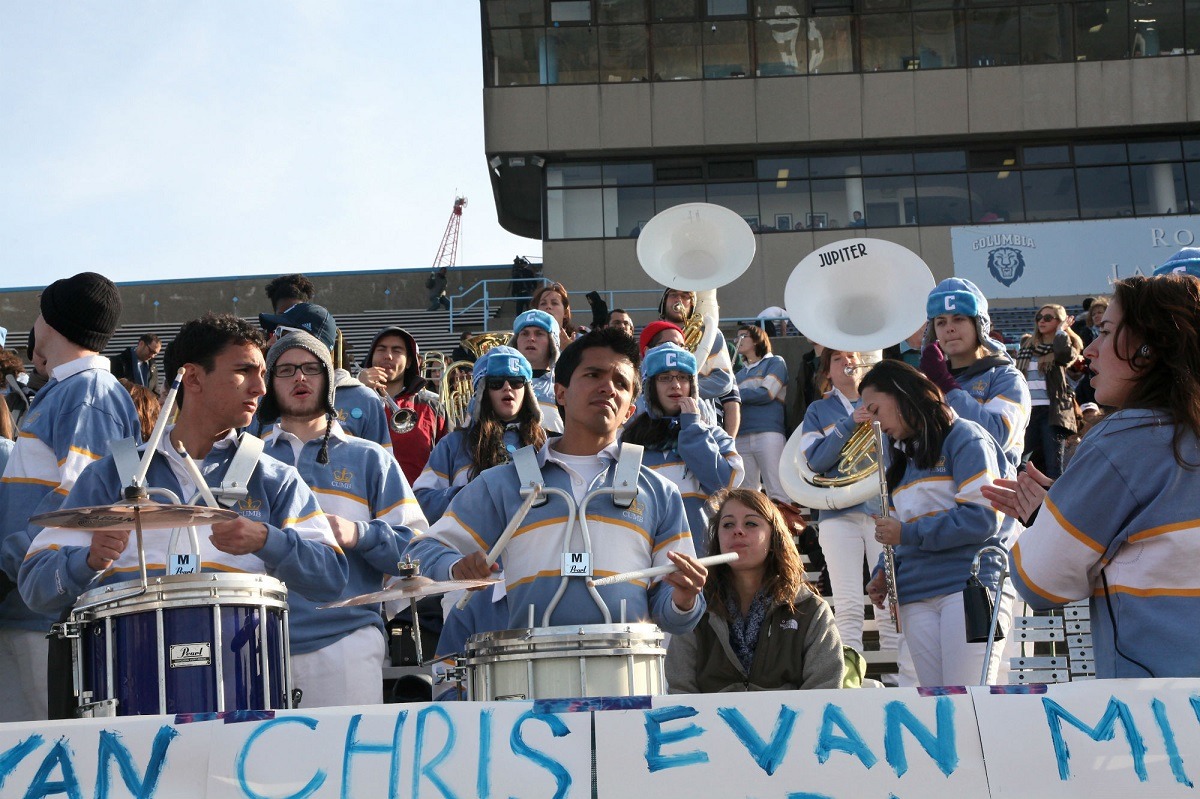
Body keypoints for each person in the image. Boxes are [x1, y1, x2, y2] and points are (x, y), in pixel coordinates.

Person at [18, 313, 348, 694]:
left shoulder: (274, 477)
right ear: (192, 378)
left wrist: (266, 540)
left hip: (244, 691)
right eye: (245, 371)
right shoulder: (110, 475)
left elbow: (331, 580)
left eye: (263, 372)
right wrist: (87, 560)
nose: (261, 387)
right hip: (129, 693)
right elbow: (35, 587)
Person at [407, 327, 709, 635]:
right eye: (593, 375)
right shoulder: (503, 483)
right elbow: (421, 550)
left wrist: (683, 600)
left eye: (620, 382)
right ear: (560, 392)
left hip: (625, 676)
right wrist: (456, 567)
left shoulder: (660, 493)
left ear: (630, 410)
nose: (608, 387)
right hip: (529, 677)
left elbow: (674, 617)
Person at [987, 273, 1200, 679]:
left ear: (1148, 346)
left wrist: (1047, 519)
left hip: (1162, 710)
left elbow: (1041, 581)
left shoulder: (1121, 441)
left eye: (1104, 332)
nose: (1092, 350)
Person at [0, 272, 141, 723]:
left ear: (51, 321)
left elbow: (81, 506)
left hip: (46, 617)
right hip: (32, 610)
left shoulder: (88, 394)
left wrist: (6, 569)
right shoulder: (74, 391)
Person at [259, 331, 422, 707]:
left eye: (311, 368)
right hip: (255, 645)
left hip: (346, 641)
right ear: (269, 385)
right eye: (285, 370)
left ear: (329, 381)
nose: (299, 378)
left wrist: (360, 534)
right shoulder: (246, 460)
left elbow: (418, 551)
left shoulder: (371, 459)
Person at [859, 360, 1014, 687]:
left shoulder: (965, 437)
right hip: (916, 593)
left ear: (901, 394)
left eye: (875, 409)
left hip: (967, 587)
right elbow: (896, 530)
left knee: (968, 700)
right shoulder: (899, 459)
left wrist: (908, 534)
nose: (873, 421)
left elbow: (982, 517)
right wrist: (883, 572)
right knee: (939, 707)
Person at [665, 488, 844, 692]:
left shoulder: (810, 609)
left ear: (774, 536)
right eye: (728, 524)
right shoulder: (696, 608)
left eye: (751, 523)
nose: (737, 531)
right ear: (718, 538)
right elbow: (680, 689)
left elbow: (825, 688)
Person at [799, 349, 902, 661]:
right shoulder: (817, 410)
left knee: (889, 598)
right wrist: (847, 425)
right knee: (847, 602)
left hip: (880, 510)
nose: (848, 362)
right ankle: (850, 672)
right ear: (827, 371)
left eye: (853, 356)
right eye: (838, 358)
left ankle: (899, 674)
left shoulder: (883, 401)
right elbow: (815, 461)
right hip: (836, 513)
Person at [621, 343, 743, 557]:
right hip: (646, 558)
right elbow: (622, 500)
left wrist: (693, 430)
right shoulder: (631, 439)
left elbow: (723, 483)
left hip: (702, 559)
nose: (675, 385)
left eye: (683, 377)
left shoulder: (713, 434)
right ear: (650, 386)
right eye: (665, 377)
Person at [414, 346, 547, 523]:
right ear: (483, 393)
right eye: (496, 383)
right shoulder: (453, 444)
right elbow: (421, 502)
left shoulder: (545, 441)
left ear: (527, 391)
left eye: (516, 382)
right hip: (470, 546)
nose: (507, 387)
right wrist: (470, 494)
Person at [919, 278, 1030, 471]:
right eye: (941, 322)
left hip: (989, 495)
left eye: (959, 318)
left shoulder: (1006, 377)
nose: (949, 328)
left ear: (979, 324)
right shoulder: (928, 382)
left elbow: (997, 437)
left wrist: (946, 385)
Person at [259, 302, 391, 450]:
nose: (270, 342)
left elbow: (381, 463)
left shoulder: (364, 399)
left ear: (311, 341)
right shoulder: (260, 399)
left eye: (279, 333)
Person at [357, 325, 447, 484]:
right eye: (381, 349)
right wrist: (357, 389)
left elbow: (450, 457)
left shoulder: (432, 406)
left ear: (409, 362)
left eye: (397, 350)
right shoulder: (353, 398)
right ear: (371, 357)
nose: (388, 356)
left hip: (418, 502)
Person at [658, 288, 741, 437]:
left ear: (693, 303)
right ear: (664, 301)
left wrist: (679, 390)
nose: (679, 299)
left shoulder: (710, 334)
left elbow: (725, 384)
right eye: (673, 295)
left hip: (703, 422)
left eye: (685, 296)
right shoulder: (654, 335)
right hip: (659, 423)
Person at [1015, 304, 1083, 480]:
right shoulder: (1028, 347)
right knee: (1018, 460)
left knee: (1054, 465)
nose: (1042, 321)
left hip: (1051, 412)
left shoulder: (1062, 346)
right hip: (1027, 411)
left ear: (1059, 321)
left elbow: (1064, 355)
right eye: (1039, 318)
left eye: (1048, 318)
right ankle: (1025, 498)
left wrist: (1061, 331)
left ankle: (1052, 503)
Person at [734, 324, 789, 502]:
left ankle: (784, 529)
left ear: (757, 340)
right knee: (747, 493)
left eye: (743, 336)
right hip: (741, 435)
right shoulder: (739, 373)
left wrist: (735, 396)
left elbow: (767, 393)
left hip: (768, 433)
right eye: (737, 337)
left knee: (777, 488)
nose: (737, 341)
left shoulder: (775, 362)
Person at [509, 309, 563, 434]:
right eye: (524, 333)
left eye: (539, 334)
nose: (531, 339)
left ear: (552, 343)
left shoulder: (566, 386)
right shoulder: (499, 385)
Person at [531, 282, 578, 350]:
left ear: (565, 313)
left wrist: (569, 351)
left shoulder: (579, 341)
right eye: (543, 303)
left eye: (554, 303)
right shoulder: (529, 339)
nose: (548, 307)